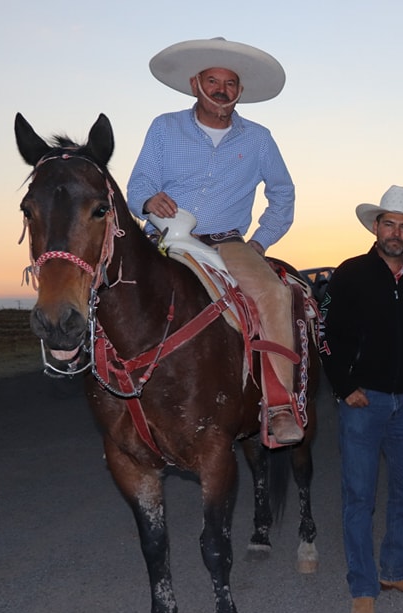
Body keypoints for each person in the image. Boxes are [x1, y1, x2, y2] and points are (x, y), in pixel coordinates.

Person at [126, 37, 305, 445]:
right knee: (111, 286)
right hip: (164, 240)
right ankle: (104, 377)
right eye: (212, 80)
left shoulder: (259, 139)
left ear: (240, 91)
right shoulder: (165, 127)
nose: (221, 89)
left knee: (274, 294)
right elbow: (139, 183)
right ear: (195, 84)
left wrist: (261, 241)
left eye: (230, 83)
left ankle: (278, 404)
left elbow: (282, 192)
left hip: (226, 242)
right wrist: (147, 199)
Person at [320, 185, 403, 613]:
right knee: (359, 497)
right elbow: (327, 335)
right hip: (363, 402)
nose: (396, 231)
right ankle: (363, 586)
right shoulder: (350, 273)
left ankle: (396, 571)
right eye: (388, 223)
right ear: (375, 227)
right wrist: (343, 386)